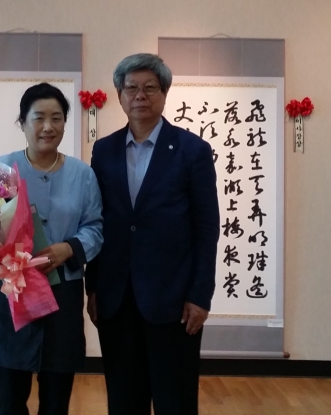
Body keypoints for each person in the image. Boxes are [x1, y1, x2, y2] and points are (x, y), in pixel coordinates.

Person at [86, 53, 220, 415]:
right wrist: (93, 287)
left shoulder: (192, 150)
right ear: (119, 94)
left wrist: (200, 295)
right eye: (131, 88)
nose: (140, 96)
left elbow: (207, 227)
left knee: (174, 401)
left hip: (174, 301)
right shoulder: (104, 150)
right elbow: (98, 221)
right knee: (123, 401)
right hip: (116, 298)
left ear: (164, 93)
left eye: (150, 88)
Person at [0, 82, 104, 415]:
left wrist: (69, 249)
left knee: (57, 397)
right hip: (11, 292)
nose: (48, 126)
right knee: (10, 398)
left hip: (62, 293)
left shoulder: (83, 174)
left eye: (57, 118)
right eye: (39, 118)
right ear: (22, 122)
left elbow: (95, 227)